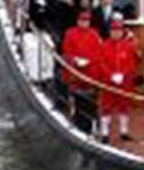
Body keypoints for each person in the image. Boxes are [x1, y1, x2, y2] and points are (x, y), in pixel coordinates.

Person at [59, 8, 103, 133]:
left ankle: (91, 125)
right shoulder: (70, 33)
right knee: (77, 100)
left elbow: (99, 53)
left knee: (90, 102)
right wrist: (75, 60)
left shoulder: (94, 34)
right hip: (75, 74)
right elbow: (66, 52)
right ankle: (77, 121)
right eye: (82, 20)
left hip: (90, 74)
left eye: (87, 21)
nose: (84, 23)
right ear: (78, 21)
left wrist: (90, 62)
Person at [100, 16, 139, 145]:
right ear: (110, 32)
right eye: (113, 30)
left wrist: (123, 75)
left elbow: (131, 64)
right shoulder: (104, 45)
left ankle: (124, 131)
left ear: (122, 32)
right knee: (106, 107)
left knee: (124, 107)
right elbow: (101, 63)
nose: (116, 33)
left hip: (124, 82)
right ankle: (105, 133)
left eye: (118, 30)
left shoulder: (128, 46)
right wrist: (110, 75)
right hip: (108, 82)